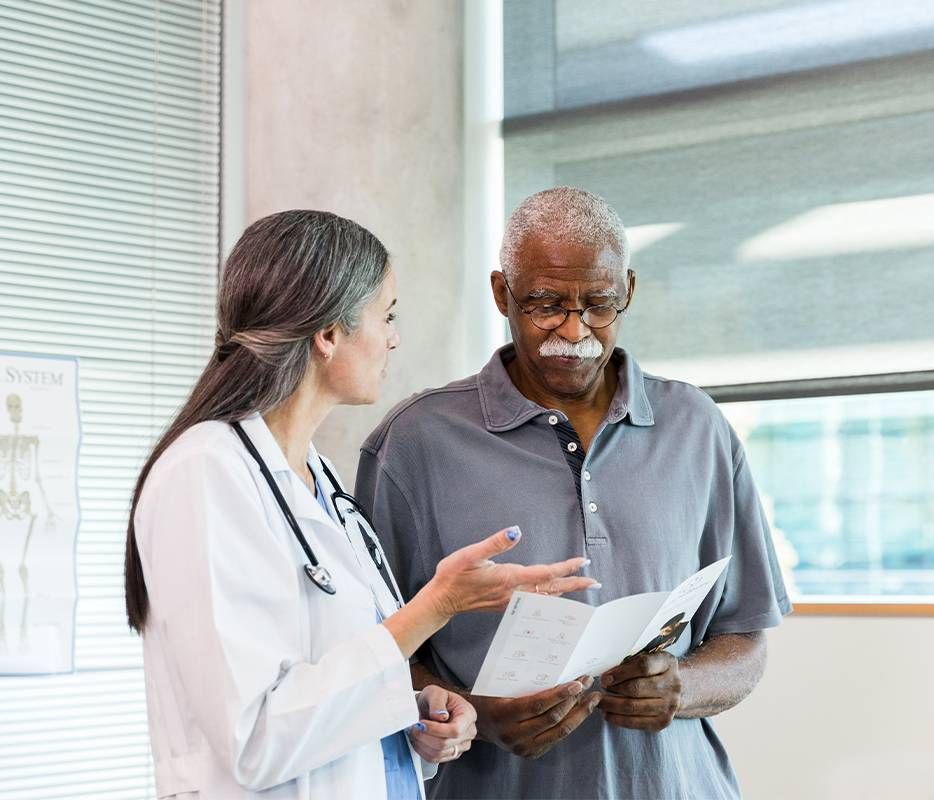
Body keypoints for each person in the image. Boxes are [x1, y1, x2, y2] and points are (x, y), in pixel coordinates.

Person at [123, 210, 597, 800]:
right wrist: (436, 606)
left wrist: (415, 715)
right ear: (328, 334)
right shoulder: (206, 473)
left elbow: (327, 685)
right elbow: (252, 740)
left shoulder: (314, 476)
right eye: (387, 315)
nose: (394, 337)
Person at [357, 187, 792, 799]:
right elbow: (369, 657)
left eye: (598, 304)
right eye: (545, 304)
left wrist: (682, 687)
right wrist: (475, 713)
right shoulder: (415, 443)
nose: (574, 329)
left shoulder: (698, 427)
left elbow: (745, 639)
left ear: (629, 292)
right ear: (502, 293)